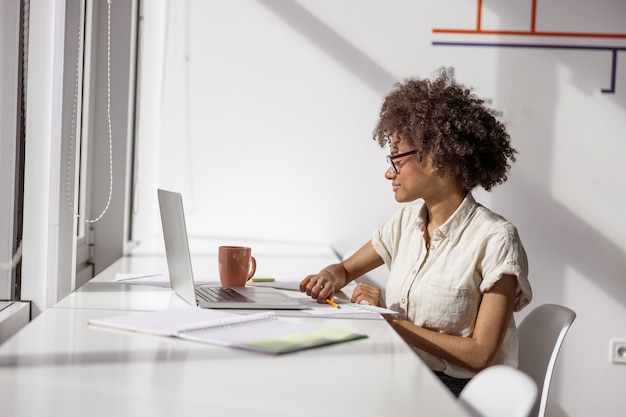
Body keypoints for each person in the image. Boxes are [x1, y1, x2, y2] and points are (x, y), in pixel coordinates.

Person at [299, 69, 532, 397]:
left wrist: (391, 322)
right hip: (408, 374)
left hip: (462, 395)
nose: (388, 171)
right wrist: (328, 277)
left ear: (437, 159)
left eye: (396, 158)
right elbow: (345, 270)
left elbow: (480, 354)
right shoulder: (404, 224)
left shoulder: (496, 240)